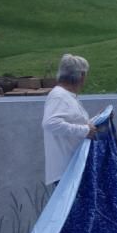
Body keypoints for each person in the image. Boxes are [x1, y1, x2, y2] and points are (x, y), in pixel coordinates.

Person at [42, 53, 97, 185]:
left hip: (72, 167)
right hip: (66, 171)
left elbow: (76, 123)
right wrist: (84, 130)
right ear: (81, 76)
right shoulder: (59, 96)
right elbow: (50, 123)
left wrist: (100, 119)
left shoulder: (66, 96)